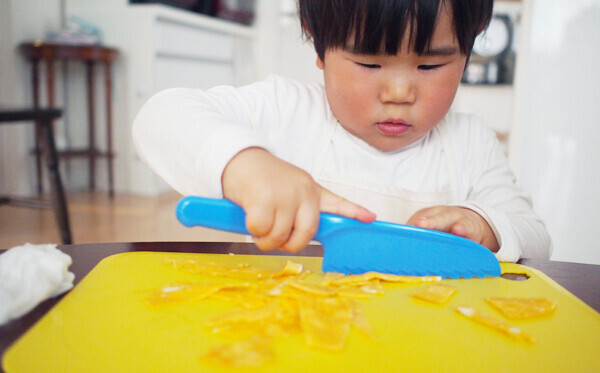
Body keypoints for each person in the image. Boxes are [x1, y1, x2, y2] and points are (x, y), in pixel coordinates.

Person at [132, 0, 551, 261]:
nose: (399, 91)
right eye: (369, 64)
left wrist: (483, 225)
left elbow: (535, 237)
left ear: (467, 50)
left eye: (430, 65)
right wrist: (246, 165)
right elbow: (159, 116)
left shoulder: (470, 143)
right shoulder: (284, 110)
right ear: (319, 46)